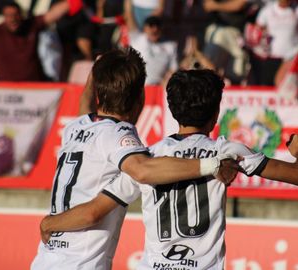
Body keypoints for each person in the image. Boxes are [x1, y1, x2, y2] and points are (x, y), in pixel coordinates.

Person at [39, 69, 298, 269]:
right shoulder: (228, 152)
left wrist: (50, 222)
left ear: (172, 110)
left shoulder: (149, 160)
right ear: (216, 113)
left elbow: (93, 211)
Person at [30, 48, 239, 270]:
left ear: (99, 92)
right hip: (80, 264)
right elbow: (142, 171)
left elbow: (85, 104)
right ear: (141, 98)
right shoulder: (120, 138)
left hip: (45, 259)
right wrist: (212, 164)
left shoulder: (75, 127)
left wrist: (95, 72)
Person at [126, 14, 177, 86]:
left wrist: (167, 80)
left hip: (159, 88)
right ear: (145, 28)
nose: (155, 29)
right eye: (151, 25)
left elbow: (173, 68)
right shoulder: (136, 39)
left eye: (158, 26)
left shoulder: (171, 45)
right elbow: (129, 15)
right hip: (138, 86)